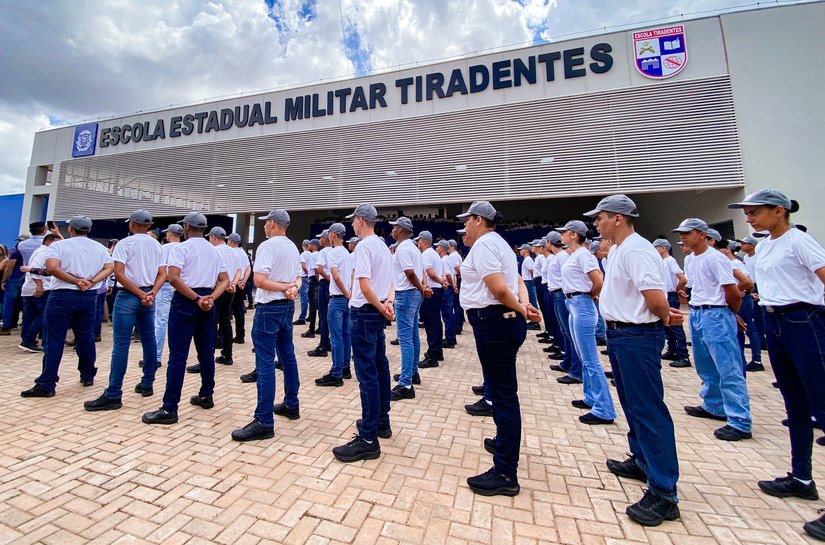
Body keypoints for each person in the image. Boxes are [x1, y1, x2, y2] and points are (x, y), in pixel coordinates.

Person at [728, 190, 825, 541]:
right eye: (748, 213)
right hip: (776, 321)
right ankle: (801, 477)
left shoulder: (799, 241)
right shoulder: (766, 245)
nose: (750, 218)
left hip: (805, 320)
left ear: (778, 211)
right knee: (795, 406)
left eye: (755, 212)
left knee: (821, 405)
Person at [585, 194, 683, 526]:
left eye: (600, 218)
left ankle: (664, 492)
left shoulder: (638, 249)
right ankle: (642, 460)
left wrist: (665, 319)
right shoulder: (620, 250)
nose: (595, 224)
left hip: (637, 336)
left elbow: (655, 298)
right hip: (622, 334)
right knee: (631, 403)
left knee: (648, 409)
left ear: (618, 218)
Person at [456, 201, 540, 496]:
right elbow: (516, 281)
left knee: (503, 396)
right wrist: (525, 305)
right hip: (500, 320)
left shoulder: (484, 245)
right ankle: (504, 441)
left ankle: (505, 471)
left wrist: (521, 309)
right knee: (502, 391)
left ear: (478, 220)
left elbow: (500, 289)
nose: (464, 225)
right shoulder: (500, 244)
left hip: (494, 322)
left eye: (467, 220)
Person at [142, 212, 229, 425]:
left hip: (185, 300)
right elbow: (224, 280)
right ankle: (206, 395)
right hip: (207, 302)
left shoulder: (181, 248)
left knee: (178, 356)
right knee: (206, 352)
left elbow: (173, 277)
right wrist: (210, 299)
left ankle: (169, 408)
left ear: (187, 228)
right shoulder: (215, 251)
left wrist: (197, 298)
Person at [673, 218, 753, 441]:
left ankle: (740, 420)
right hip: (698, 312)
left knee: (728, 368)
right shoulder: (690, 259)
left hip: (716, 314)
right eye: (681, 233)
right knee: (705, 364)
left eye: (687, 233)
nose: (683, 237)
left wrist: (729, 314)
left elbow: (733, 292)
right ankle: (714, 405)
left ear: (702, 234)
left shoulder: (716, 259)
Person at [21, 216, 114, 397]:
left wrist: (75, 280)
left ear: (70, 228)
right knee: (85, 336)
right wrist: (91, 281)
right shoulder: (100, 248)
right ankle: (87, 374)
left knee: (54, 339)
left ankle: (47, 383)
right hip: (88, 295)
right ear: (88, 230)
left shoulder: (58, 246)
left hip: (62, 295)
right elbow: (109, 268)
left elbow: (52, 268)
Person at [332, 203, 395, 463]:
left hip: (366, 312)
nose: (352, 224)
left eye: (353, 220)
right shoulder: (381, 245)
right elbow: (390, 283)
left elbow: (365, 285)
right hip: (377, 311)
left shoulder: (364, 247)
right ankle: (381, 420)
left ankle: (368, 438)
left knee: (367, 373)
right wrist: (388, 304)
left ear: (359, 221)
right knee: (379, 366)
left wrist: (381, 306)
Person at [232, 209, 301, 441]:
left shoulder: (267, 246)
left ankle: (263, 420)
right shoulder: (292, 246)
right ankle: (291, 403)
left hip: (269, 308)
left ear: (272, 224)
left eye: (265, 223)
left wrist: (284, 288)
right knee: (287, 356)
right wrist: (293, 288)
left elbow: (259, 280)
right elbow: (299, 277)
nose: (263, 227)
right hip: (286, 307)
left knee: (264, 363)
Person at [85, 209, 164, 411]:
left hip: (129, 295)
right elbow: (162, 273)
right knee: (149, 340)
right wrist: (151, 293)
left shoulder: (124, 243)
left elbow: (118, 274)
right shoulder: (156, 245)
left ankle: (113, 393)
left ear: (132, 224)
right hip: (148, 296)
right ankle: (147, 383)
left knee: (121, 344)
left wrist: (139, 294)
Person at [556, 220, 615, 425]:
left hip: (581, 303)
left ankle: (604, 408)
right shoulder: (576, 255)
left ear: (574, 235)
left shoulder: (583, 254)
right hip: (573, 302)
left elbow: (598, 280)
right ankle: (591, 397)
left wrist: (590, 294)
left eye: (564, 232)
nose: (561, 235)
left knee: (590, 359)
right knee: (583, 356)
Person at [388, 216, 430, 399]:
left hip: (406, 294)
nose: (392, 230)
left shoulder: (403, 248)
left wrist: (421, 287)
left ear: (402, 230)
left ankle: (405, 383)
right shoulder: (413, 248)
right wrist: (422, 288)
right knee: (413, 336)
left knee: (405, 339)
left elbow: (410, 273)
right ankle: (412, 372)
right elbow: (418, 273)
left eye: (395, 227)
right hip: (414, 294)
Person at [315, 223, 354, 387]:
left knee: (336, 336)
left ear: (333, 235)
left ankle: (336, 373)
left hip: (338, 298)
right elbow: (351, 274)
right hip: (346, 299)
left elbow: (336, 277)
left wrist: (345, 291)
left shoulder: (333, 253)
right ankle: (345, 368)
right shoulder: (346, 253)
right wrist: (350, 292)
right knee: (345, 335)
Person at [144, 223, 184, 368]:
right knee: (177, 322)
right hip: (182, 288)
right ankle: (175, 355)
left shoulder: (164, 248)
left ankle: (156, 356)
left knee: (160, 321)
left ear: (170, 234)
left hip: (165, 285)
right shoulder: (184, 248)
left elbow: (158, 270)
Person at [547, 231, 583, 385]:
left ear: (549, 243)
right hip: (558, 294)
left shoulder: (562, 256)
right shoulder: (559, 256)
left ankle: (575, 369)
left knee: (569, 333)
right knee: (565, 331)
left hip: (562, 294)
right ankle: (567, 362)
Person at [19, 233, 60, 352]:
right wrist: (39, 285)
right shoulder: (45, 253)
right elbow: (34, 268)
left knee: (30, 316)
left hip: (30, 288)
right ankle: (29, 339)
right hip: (41, 288)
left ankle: (28, 340)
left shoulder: (40, 251)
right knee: (44, 314)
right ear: (48, 242)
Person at [653, 239, 691, 368]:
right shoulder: (661, 262)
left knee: (676, 326)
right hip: (665, 295)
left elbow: (682, 279)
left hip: (671, 295)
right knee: (667, 325)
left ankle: (683, 355)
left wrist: (677, 289)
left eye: (657, 247)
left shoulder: (670, 261)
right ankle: (672, 349)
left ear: (664, 248)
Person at [206, 226, 239, 367]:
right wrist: (233, 284)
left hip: (217, 289)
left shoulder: (213, 251)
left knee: (211, 323)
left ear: (213, 237)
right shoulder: (233, 252)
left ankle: (207, 358)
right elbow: (239, 271)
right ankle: (227, 354)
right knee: (226, 323)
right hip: (230, 290)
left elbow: (211, 272)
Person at [417, 230, 445, 368]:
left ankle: (433, 355)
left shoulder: (427, 254)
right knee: (435, 322)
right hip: (437, 290)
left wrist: (439, 282)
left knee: (431, 323)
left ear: (423, 242)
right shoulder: (434, 253)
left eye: (419, 241)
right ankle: (437, 351)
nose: (417, 243)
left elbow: (430, 273)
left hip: (432, 291)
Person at [309, 230, 332, 357]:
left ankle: (323, 345)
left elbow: (319, 269)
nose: (320, 241)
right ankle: (328, 342)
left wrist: (327, 279)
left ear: (326, 239)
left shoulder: (323, 252)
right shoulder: (335, 251)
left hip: (324, 285)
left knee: (323, 316)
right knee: (329, 317)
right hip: (333, 286)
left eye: (321, 238)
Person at [227, 233, 251, 344]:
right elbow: (248, 269)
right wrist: (243, 281)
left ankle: (222, 335)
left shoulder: (229, 252)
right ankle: (240, 335)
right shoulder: (243, 253)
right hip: (240, 284)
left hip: (229, 284)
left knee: (226, 311)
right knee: (239, 311)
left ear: (231, 241)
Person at [436, 240, 458, 349]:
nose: (437, 248)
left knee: (447, 314)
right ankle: (451, 337)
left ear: (442, 248)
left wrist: (452, 286)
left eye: (438, 247)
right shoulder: (448, 259)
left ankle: (450, 339)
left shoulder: (444, 260)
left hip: (447, 289)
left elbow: (448, 275)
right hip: (449, 288)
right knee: (449, 314)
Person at [301, 239, 320, 336]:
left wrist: (316, 280)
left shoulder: (312, 255)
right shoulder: (320, 254)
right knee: (319, 305)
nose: (309, 245)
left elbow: (316, 270)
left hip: (313, 279)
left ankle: (311, 329)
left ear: (314, 246)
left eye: (311, 244)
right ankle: (320, 327)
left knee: (312, 305)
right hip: (317, 280)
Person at [448, 239, 464, 334]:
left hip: (455, 279)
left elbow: (457, 269)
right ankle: (459, 323)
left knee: (456, 304)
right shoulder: (456, 255)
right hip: (457, 279)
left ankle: (457, 326)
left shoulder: (453, 256)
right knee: (458, 304)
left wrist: (455, 284)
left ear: (452, 246)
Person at [295, 239, 311, 325]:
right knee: (310, 298)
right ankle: (310, 315)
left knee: (303, 298)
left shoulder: (303, 255)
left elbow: (303, 266)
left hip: (304, 277)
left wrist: (307, 273)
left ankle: (302, 317)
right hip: (310, 278)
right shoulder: (312, 254)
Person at [519, 244, 538, 309]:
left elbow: (531, 270)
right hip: (528, 282)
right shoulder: (527, 259)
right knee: (531, 300)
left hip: (529, 282)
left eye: (522, 249)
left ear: (526, 250)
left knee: (532, 301)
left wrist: (533, 279)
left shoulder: (527, 259)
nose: (520, 251)